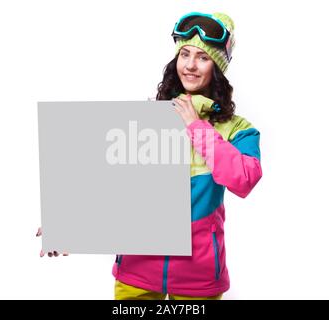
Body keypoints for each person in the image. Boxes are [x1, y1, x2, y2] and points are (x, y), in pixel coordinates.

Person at [112, 12, 263, 300]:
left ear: (217, 68)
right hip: (136, 272)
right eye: (184, 54)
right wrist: (70, 224)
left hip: (199, 280)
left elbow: (244, 180)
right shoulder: (145, 120)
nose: (190, 65)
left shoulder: (239, 130)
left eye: (202, 57)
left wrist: (197, 127)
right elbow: (115, 185)